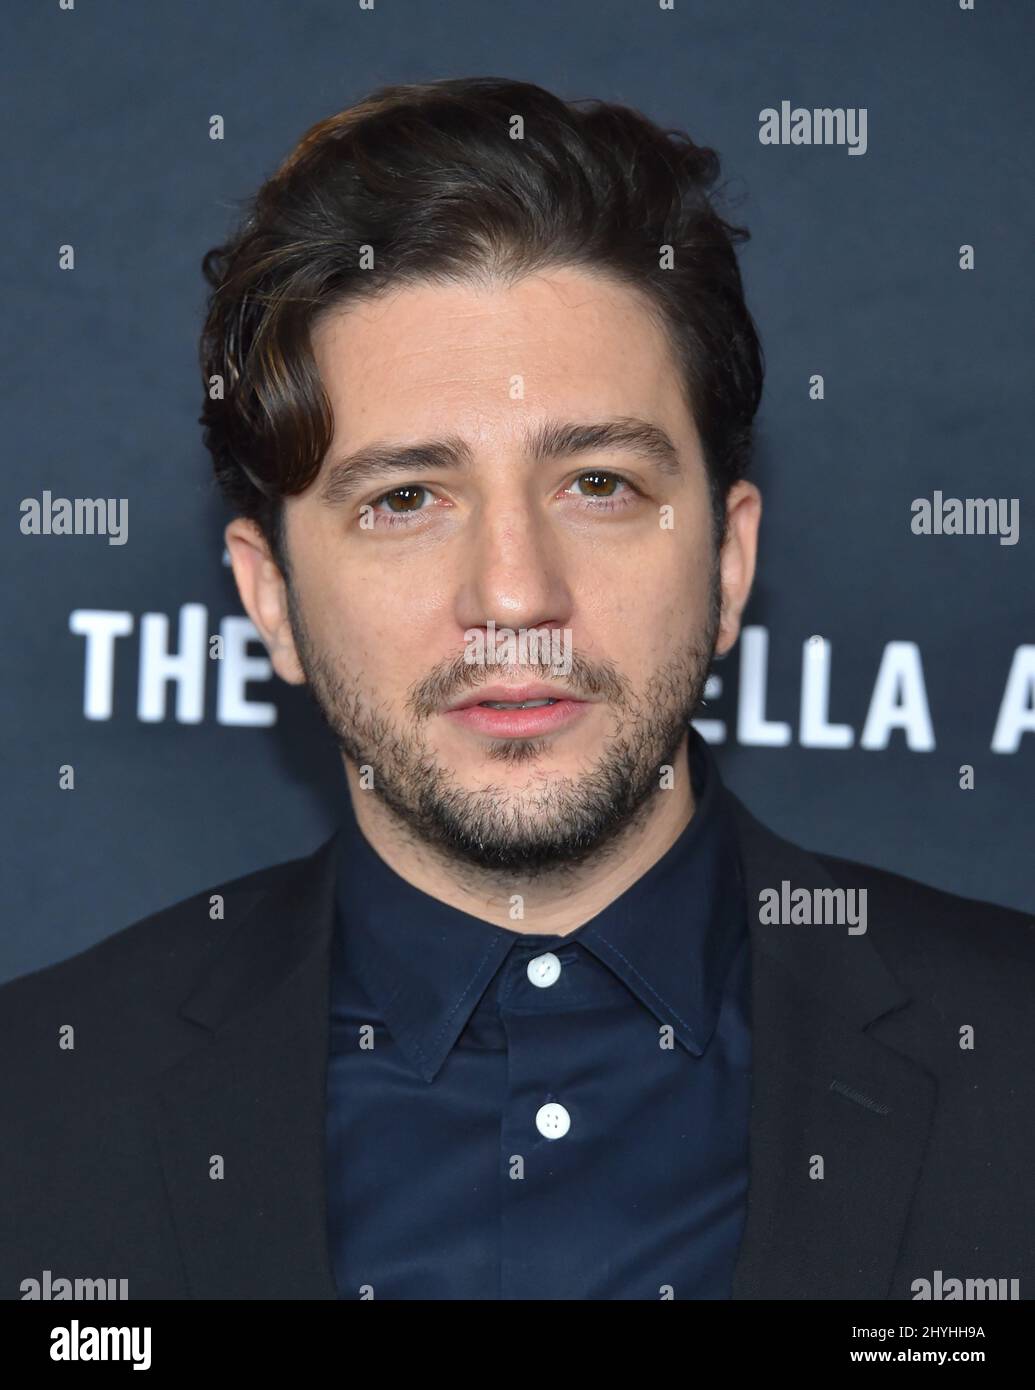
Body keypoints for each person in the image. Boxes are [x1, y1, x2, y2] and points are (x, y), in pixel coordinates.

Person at [2, 77, 1032, 1302]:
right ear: (269, 596)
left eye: (597, 484)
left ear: (728, 559)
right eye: (404, 499)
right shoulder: (39, 1106)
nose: (513, 594)